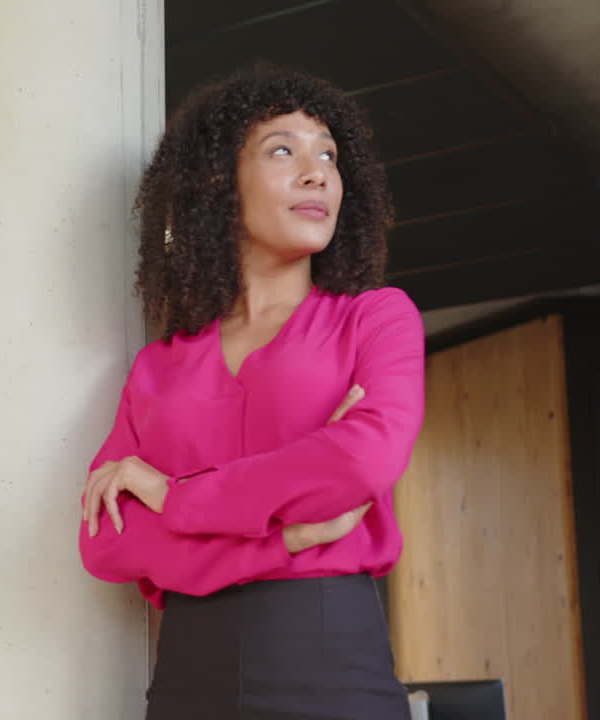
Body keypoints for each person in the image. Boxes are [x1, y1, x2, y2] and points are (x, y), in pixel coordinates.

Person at [78, 64, 425, 719]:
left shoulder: (375, 319)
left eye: (327, 154)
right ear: (217, 184)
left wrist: (169, 495)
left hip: (334, 673)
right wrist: (289, 537)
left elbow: (360, 462)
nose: (317, 172)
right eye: (282, 151)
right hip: (187, 681)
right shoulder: (157, 367)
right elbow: (107, 542)